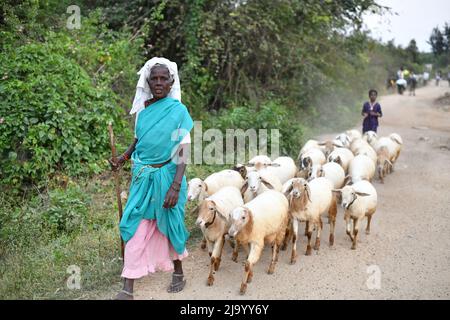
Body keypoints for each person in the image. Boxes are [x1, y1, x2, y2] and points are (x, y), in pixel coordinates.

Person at [109, 57, 194, 300]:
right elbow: (139, 139)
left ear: (171, 82)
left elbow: (183, 150)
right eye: (154, 78)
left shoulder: (178, 111)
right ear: (148, 82)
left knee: (170, 226)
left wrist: (176, 187)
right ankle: (128, 288)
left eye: (163, 79)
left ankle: (178, 273)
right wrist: (124, 157)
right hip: (143, 177)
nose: (158, 82)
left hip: (169, 176)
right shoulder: (143, 112)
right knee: (134, 224)